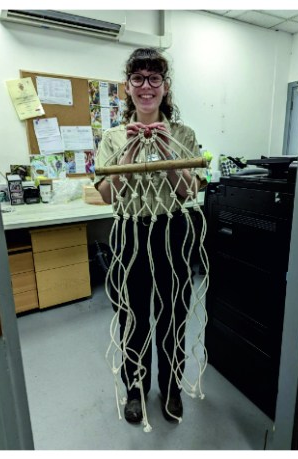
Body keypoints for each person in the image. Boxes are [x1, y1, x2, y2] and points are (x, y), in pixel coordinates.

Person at [95, 47, 202, 425]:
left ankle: (171, 388)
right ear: (127, 87)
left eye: (154, 78)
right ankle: (135, 390)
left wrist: (166, 150)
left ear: (165, 86)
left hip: (172, 231)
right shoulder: (112, 137)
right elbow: (108, 195)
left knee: (173, 317)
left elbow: (189, 192)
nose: (146, 86)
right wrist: (128, 154)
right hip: (129, 233)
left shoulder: (184, 134)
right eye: (138, 79)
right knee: (133, 319)